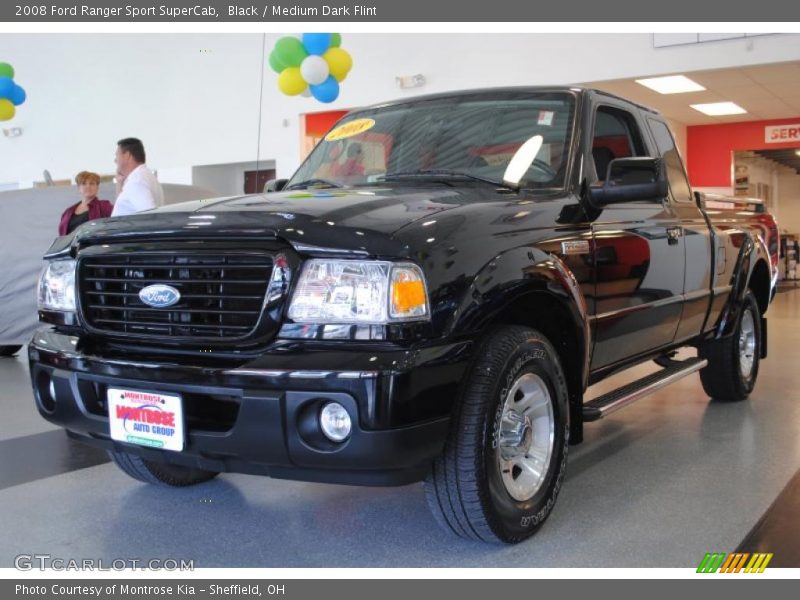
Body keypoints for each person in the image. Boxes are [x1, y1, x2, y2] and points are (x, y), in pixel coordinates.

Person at [110, 137, 165, 217]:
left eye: (117, 155)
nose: (115, 160)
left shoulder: (137, 181)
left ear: (127, 155)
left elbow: (151, 216)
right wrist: (120, 182)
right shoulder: (145, 176)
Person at [58, 171, 114, 235]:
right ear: (79, 188)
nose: (88, 186)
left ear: (97, 187)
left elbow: (116, 226)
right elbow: (62, 236)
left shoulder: (105, 206)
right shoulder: (68, 212)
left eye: (92, 183)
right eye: (84, 184)